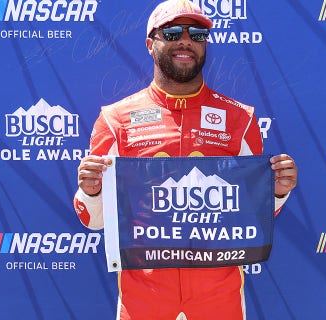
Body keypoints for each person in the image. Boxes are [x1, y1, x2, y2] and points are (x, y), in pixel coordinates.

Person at [73, 0, 298, 319]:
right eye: (173, 32)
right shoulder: (115, 120)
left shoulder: (240, 119)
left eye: (197, 34)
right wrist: (91, 192)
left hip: (219, 297)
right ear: (151, 44)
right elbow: (92, 220)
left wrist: (276, 191)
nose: (186, 40)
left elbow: (253, 217)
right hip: (144, 298)